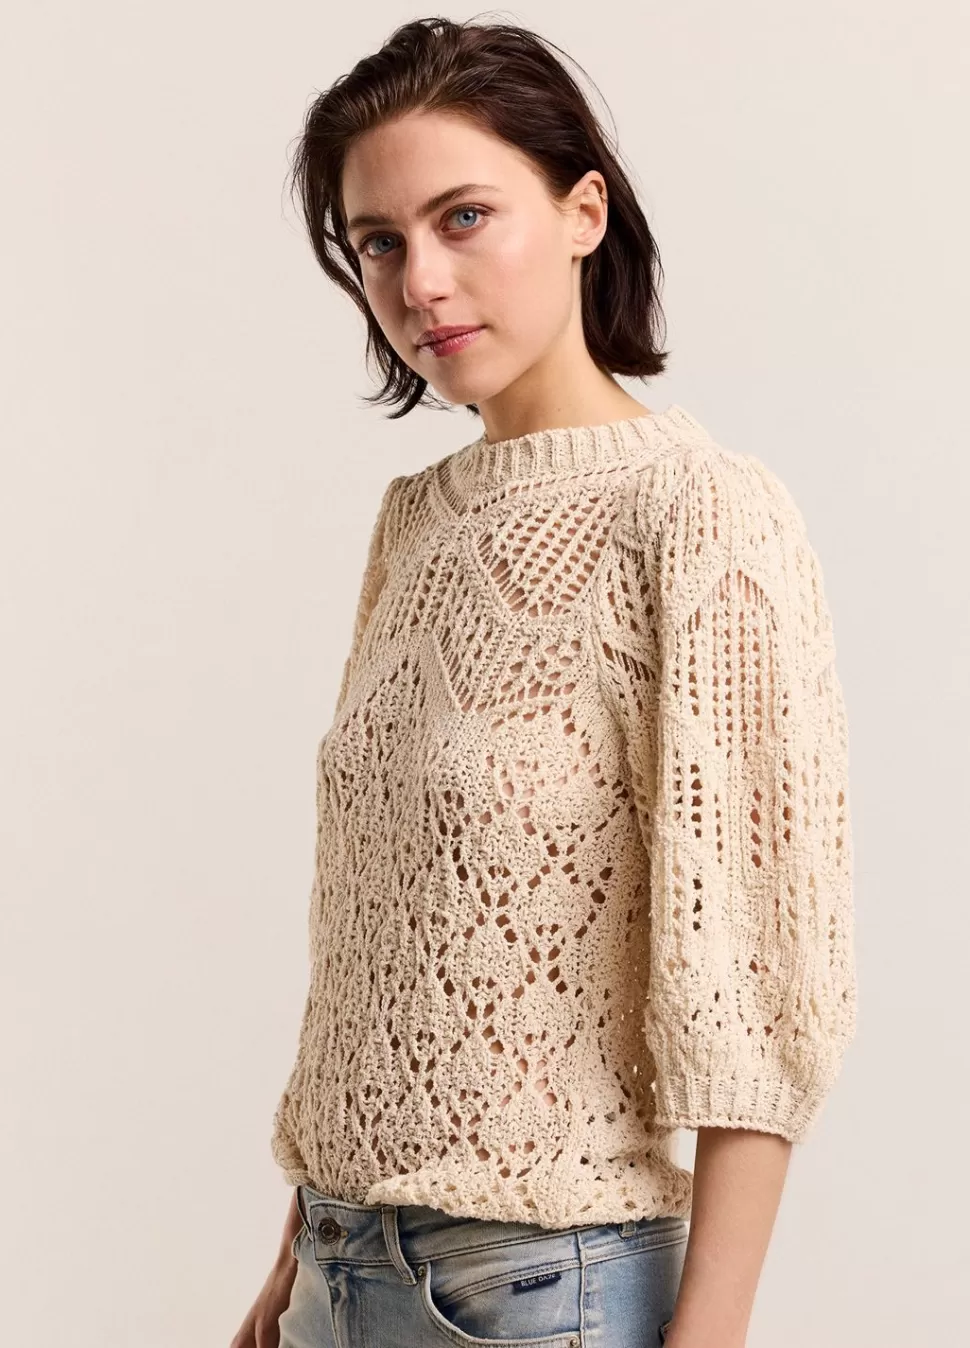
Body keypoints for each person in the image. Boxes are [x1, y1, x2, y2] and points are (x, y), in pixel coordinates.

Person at [230, 16, 857, 1348]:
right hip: (338, 1266)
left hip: (538, 1287)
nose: (421, 282)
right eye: (378, 242)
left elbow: (759, 989)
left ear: (583, 213)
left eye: (463, 217)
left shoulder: (700, 515)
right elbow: (385, 953)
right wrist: (289, 1273)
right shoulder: (418, 520)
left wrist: (711, 1335)